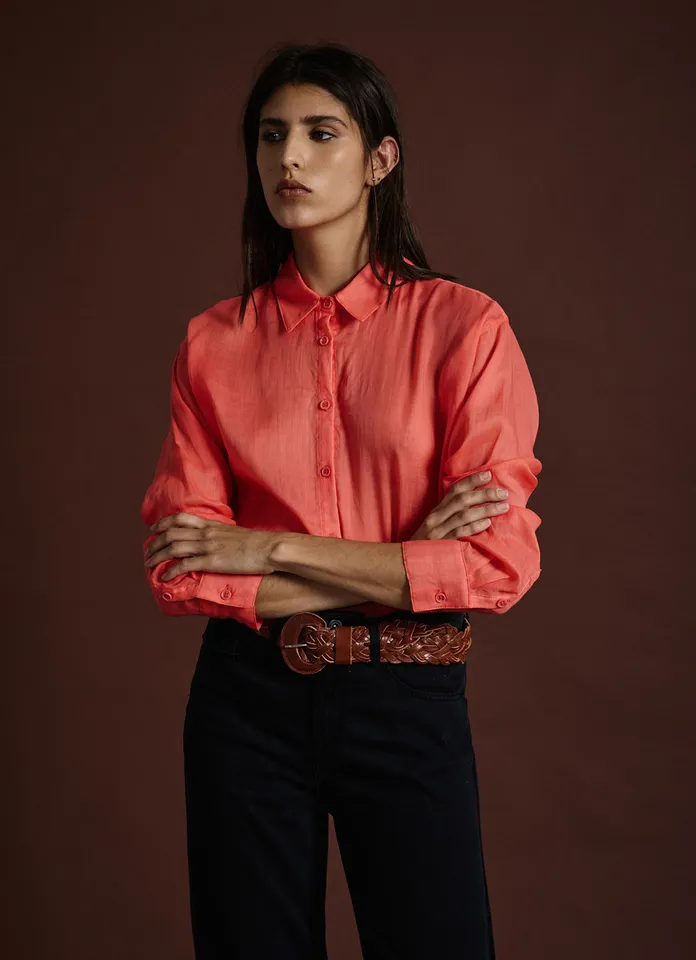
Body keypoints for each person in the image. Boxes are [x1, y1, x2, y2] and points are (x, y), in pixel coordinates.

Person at [140, 40, 542, 960]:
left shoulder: (466, 329)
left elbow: (495, 565)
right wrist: (406, 558)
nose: (290, 157)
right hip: (246, 704)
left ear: (379, 158)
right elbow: (180, 570)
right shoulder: (212, 345)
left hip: (408, 696)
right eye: (271, 135)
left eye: (322, 133)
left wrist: (267, 549)